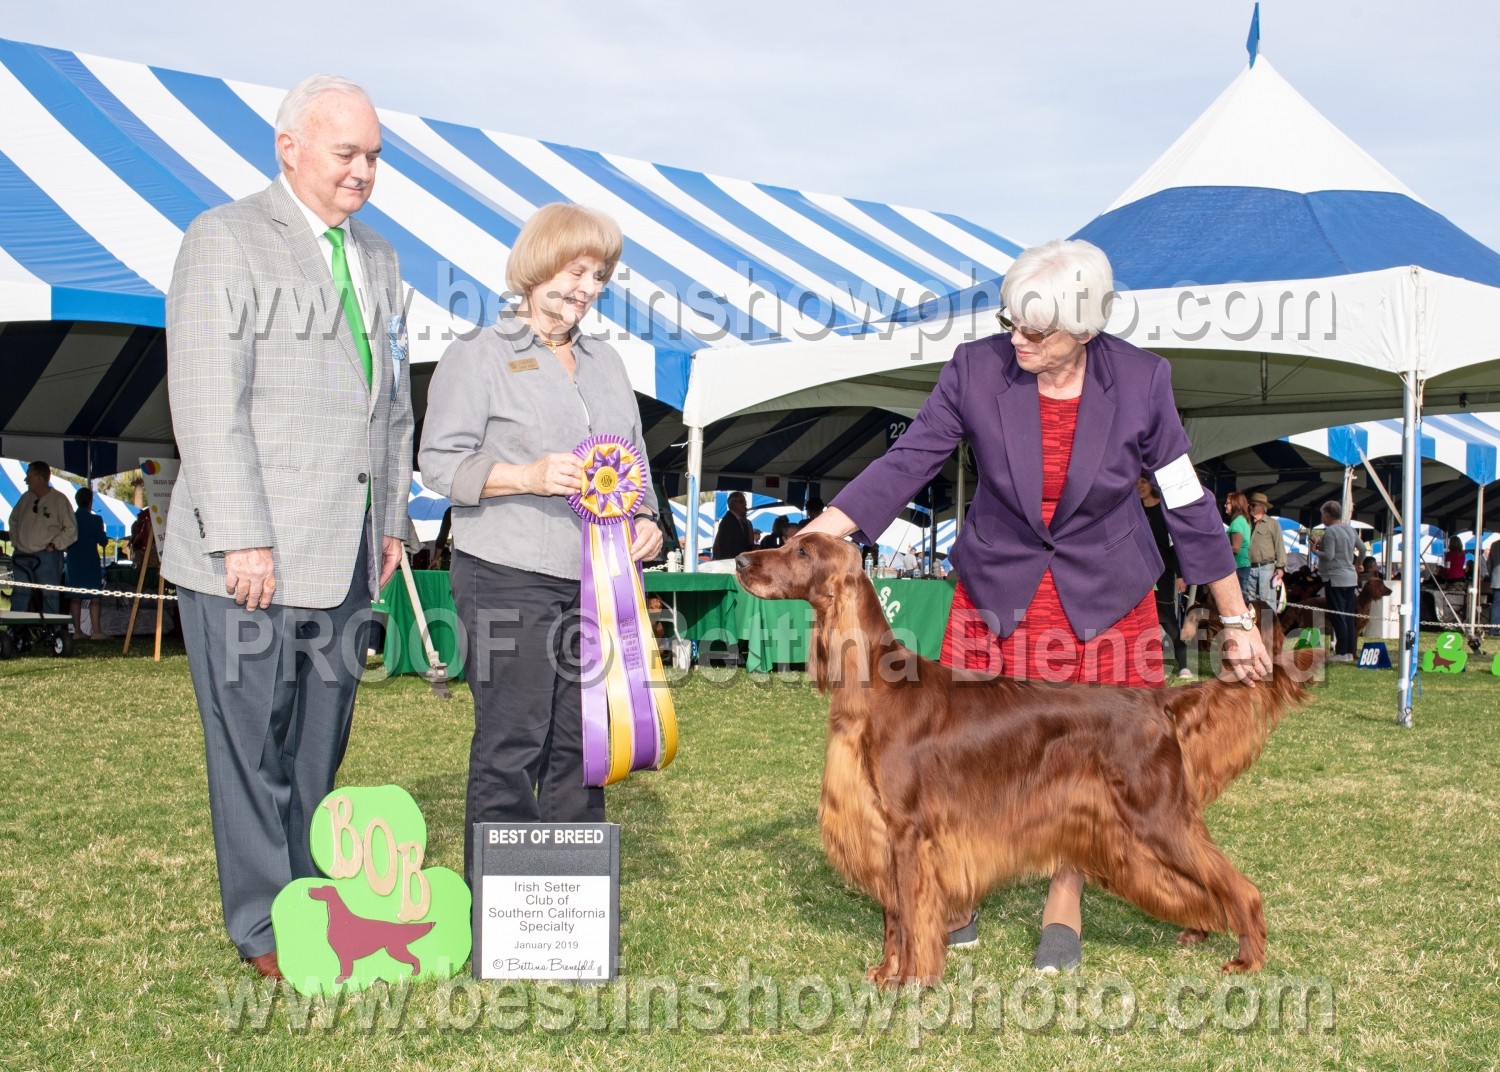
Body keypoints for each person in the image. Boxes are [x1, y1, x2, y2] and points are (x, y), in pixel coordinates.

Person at [796, 238, 1270, 973]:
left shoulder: (1142, 381)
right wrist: (824, 531)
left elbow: (1186, 503)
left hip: (1105, 597)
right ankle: (955, 893)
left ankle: (1065, 899)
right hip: (998, 591)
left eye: (1037, 330)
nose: (1016, 338)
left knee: (1091, 764)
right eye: (1011, 320)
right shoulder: (977, 369)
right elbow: (910, 460)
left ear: (1084, 327)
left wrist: (1236, 620)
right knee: (965, 758)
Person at [162, 75, 412, 981]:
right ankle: (264, 927)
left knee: (319, 742)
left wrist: (392, 520)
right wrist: (242, 536)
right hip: (249, 552)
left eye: (374, 156)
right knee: (250, 741)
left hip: (349, 551)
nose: (363, 171)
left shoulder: (380, 260)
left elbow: (389, 408)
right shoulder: (223, 240)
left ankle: (313, 895)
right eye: (347, 153)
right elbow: (204, 399)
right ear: (290, 147)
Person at [419, 202, 661, 885]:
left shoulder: (608, 362)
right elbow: (439, 463)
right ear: (537, 265)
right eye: (575, 269)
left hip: (596, 581)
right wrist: (524, 475)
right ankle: (501, 906)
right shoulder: (478, 354)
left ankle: (570, 903)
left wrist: (647, 520)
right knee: (513, 738)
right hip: (506, 572)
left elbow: (635, 464)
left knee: (583, 742)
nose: (586, 286)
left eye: (600, 275)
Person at [1136, 476, 1192, 679]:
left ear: (1152, 483)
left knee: (1167, 619)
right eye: (1136, 481)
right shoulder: (1136, 511)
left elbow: (1175, 546)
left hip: (1163, 573)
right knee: (1140, 620)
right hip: (1139, 572)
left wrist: (1180, 575)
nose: (1139, 485)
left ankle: (1183, 664)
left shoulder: (1165, 512)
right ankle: (1146, 663)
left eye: (1143, 480)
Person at [7, 461, 77, 615]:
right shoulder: (25, 498)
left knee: (50, 595)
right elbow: (13, 520)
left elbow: (71, 529)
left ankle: (52, 633)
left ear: (39, 478)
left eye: (29, 476)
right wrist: (16, 542)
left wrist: (54, 545)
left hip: (47, 556)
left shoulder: (59, 500)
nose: (26, 480)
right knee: (20, 594)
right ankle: (15, 632)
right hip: (22, 555)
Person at [1313, 501, 1363, 661]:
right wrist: (1358, 564)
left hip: (1335, 578)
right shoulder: (1350, 529)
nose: (1322, 518)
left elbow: (1329, 556)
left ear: (1327, 515)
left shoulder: (1330, 532)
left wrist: (1315, 551)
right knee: (1348, 616)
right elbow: (1362, 549)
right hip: (1350, 578)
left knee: (1337, 616)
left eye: (1322, 515)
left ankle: (1341, 652)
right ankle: (1349, 651)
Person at [68, 487, 109, 638]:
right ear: (90, 501)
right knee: (95, 596)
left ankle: (77, 631)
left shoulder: (71, 518)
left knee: (75, 597)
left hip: (73, 560)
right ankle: (96, 631)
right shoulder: (96, 520)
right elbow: (103, 541)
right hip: (90, 560)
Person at [1244, 492, 1286, 607]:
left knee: (1267, 602)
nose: (1250, 507)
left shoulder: (1272, 524)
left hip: (1266, 567)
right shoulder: (1247, 524)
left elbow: (1279, 545)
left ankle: (1268, 625)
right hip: (1250, 566)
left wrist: (1280, 567)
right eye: (1250, 505)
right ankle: (1255, 625)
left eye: (1253, 505)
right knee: (1251, 601)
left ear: (1262, 507)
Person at [1224, 491, 1253, 599]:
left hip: (1239, 566)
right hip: (1242, 566)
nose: (1225, 506)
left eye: (1228, 503)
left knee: (1237, 601)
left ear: (1235, 504)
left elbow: (1236, 548)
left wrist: (1218, 550)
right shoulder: (1243, 520)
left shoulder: (1237, 522)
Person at [712, 492, 756, 560]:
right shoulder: (728, 522)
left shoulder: (742, 521)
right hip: (731, 563)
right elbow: (726, 547)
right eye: (741, 501)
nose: (745, 504)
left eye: (744, 501)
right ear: (733, 504)